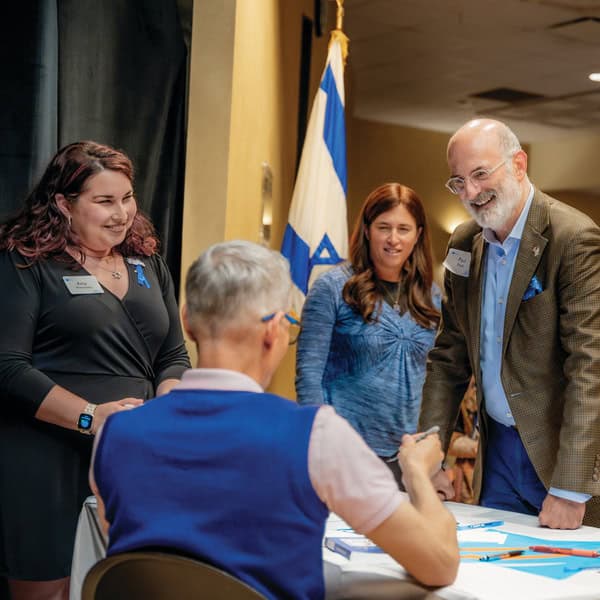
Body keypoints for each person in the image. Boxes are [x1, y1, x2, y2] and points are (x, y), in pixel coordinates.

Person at [90, 240, 459, 599]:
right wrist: (415, 474)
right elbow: (439, 565)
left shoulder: (114, 433)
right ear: (273, 330)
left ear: (186, 321)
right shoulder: (316, 436)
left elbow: (136, 565)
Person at [0, 141, 191, 600]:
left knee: (125, 584)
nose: (121, 213)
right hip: (45, 455)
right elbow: (7, 368)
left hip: (128, 454)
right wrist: (91, 416)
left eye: (127, 198)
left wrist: (167, 402)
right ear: (64, 204)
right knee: (48, 590)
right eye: (104, 201)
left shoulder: (149, 263)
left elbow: (174, 356)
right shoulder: (27, 262)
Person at [419, 118, 600, 529]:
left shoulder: (573, 238)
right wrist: (429, 457)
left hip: (559, 460)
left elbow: (590, 369)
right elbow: (448, 359)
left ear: (518, 164)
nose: (471, 192)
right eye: (458, 181)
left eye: (481, 174)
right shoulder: (464, 242)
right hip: (496, 453)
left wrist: (570, 488)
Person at [296, 182, 445, 488]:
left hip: (409, 459)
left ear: (418, 234)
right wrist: (323, 446)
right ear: (366, 230)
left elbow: (436, 379)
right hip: (345, 455)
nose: (393, 239)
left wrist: (434, 459)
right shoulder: (333, 288)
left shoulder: (432, 296)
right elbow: (308, 376)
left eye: (403, 229)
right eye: (383, 227)